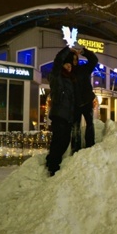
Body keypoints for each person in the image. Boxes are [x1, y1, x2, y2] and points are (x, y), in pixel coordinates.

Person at [46, 46, 76, 176]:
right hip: (59, 113)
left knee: (64, 141)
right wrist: (68, 50)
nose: (69, 66)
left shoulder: (70, 79)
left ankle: (52, 161)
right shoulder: (56, 75)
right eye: (67, 64)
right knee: (59, 140)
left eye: (70, 64)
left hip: (67, 116)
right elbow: (58, 60)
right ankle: (53, 165)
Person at [70, 47, 98, 153]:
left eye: (76, 59)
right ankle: (75, 149)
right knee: (75, 127)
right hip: (75, 104)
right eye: (72, 59)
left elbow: (94, 60)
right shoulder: (67, 73)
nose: (74, 62)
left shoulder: (84, 69)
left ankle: (90, 146)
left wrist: (83, 52)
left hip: (87, 101)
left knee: (90, 124)